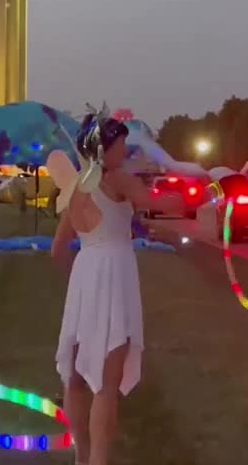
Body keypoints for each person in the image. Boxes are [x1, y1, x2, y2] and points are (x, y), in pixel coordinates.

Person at [50, 115, 183, 465]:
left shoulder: (78, 186)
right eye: (120, 143)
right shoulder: (117, 179)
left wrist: (79, 284)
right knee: (106, 384)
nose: (125, 149)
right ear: (103, 149)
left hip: (85, 275)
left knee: (76, 377)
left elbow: (58, 249)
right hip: (112, 275)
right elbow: (165, 203)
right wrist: (207, 189)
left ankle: (82, 458)